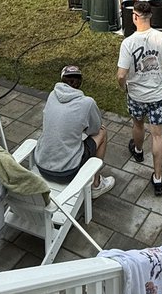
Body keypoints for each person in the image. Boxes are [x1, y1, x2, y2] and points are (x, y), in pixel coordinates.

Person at [117, 0, 162, 195]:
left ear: (134, 17)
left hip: (136, 95)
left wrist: (123, 87)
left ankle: (139, 151)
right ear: (150, 16)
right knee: (157, 134)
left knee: (138, 124)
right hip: (158, 95)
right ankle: (158, 178)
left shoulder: (128, 43)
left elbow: (121, 74)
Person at [34, 65, 114, 197]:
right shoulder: (87, 103)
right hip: (67, 172)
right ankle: (96, 184)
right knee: (102, 132)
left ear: (62, 80)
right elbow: (94, 130)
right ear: (80, 82)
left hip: (41, 165)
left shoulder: (52, 95)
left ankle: (94, 181)